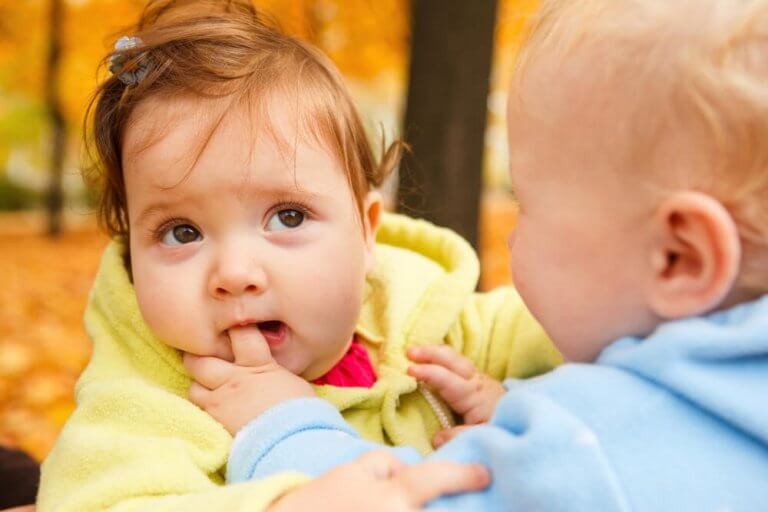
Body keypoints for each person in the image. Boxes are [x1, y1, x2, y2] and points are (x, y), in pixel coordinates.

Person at [199, 0, 768, 509]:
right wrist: (517, 415)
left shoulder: (585, 450)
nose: (513, 237)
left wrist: (283, 426)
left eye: (528, 203)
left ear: (678, 258)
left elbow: (405, 501)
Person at [37, 1, 560, 510]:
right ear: (132, 259)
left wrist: (522, 408)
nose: (235, 274)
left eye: (287, 217)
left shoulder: (438, 332)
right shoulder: (152, 401)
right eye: (181, 232)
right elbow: (100, 498)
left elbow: (603, 328)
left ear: (366, 235)